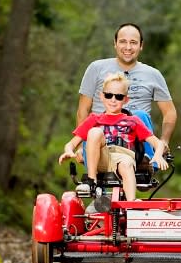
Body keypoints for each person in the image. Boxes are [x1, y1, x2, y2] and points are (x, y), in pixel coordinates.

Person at [59, 72, 169, 201]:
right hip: (102, 157)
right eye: (109, 95)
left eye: (118, 97)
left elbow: (158, 143)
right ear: (102, 96)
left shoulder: (133, 121)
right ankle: (91, 182)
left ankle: (131, 203)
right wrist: (68, 151)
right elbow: (71, 144)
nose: (113, 100)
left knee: (126, 164)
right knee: (95, 132)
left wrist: (157, 155)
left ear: (125, 100)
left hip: (124, 157)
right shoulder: (94, 119)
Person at [76, 23, 177, 159]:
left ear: (141, 45)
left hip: (138, 142)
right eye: (123, 42)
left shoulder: (153, 74)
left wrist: (164, 141)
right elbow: (83, 110)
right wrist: (80, 147)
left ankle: (147, 161)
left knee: (139, 115)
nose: (128, 47)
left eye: (133, 42)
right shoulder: (96, 68)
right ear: (115, 44)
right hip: (101, 138)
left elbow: (169, 111)